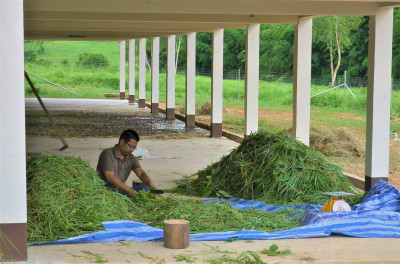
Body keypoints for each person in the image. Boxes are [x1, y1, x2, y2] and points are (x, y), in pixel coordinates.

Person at [97, 129, 158, 197]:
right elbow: (110, 178)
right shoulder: (107, 154)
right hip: (107, 191)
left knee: (146, 189)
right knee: (120, 195)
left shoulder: (131, 157)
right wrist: (129, 190)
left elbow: (141, 173)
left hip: (122, 190)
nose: (132, 150)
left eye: (134, 148)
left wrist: (150, 184)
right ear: (122, 142)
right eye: (131, 146)